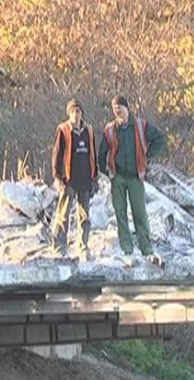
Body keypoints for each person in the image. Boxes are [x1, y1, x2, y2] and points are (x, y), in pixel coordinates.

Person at [98, 95, 166, 265]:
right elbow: (101, 153)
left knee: (139, 212)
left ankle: (146, 248)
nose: (117, 110)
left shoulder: (141, 126)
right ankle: (127, 248)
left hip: (136, 175)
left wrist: (146, 156)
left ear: (127, 108)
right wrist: (106, 171)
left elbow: (160, 139)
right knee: (120, 213)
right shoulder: (110, 130)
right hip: (118, 177)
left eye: (119, 107)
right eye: (114, 108)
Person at [51, 99, 98, 261]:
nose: (76, 114)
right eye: (73, 111)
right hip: (68, 180)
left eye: (78, 111)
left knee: (84, 216)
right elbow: (56, 155)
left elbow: (93, 154)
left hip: (85, 179)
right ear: (68, 113)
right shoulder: (63, 130)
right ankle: (59, 247)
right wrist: (57, 177)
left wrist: (94, 178)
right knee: (63, 214)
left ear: (82, 113)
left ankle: (83, 246)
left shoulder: (89, 131)